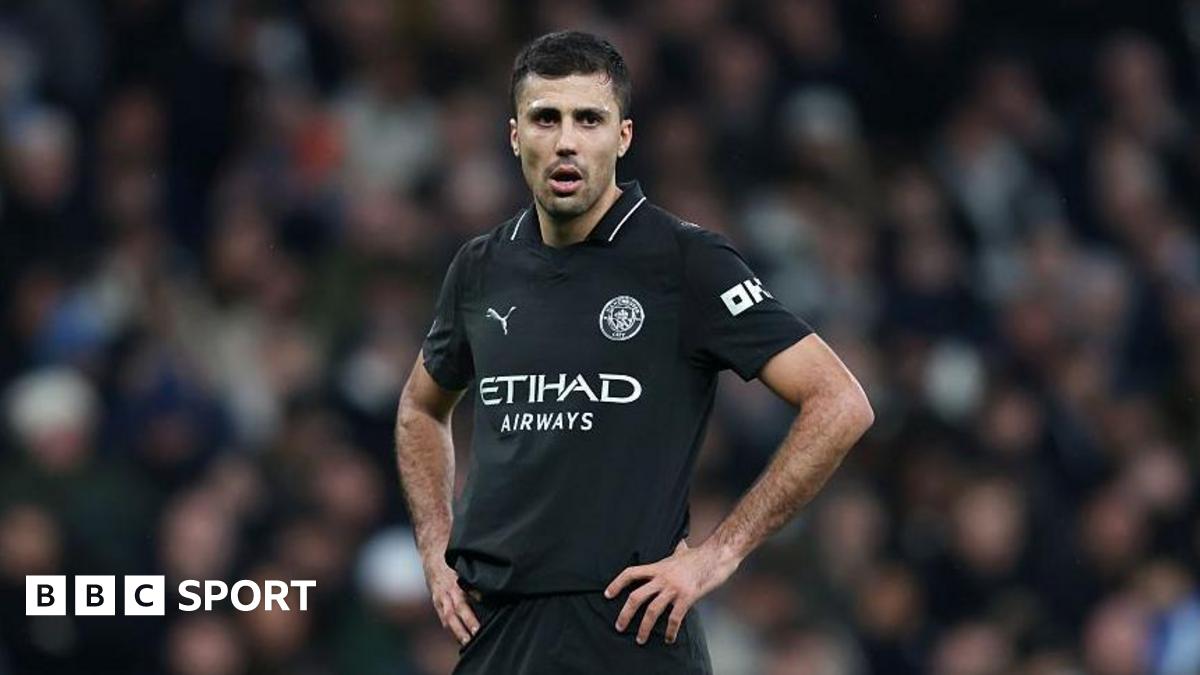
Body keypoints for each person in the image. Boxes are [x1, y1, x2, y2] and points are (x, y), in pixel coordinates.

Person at [395, 30, 874, 674]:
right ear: (516, 137)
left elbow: (840, 401)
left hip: (629, 630)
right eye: (546, 118)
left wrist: (718, 554)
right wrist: (434, 546)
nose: (566, 140)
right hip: (498, 630)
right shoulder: (482, 266)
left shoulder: (686, 260)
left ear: (622, 137)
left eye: (588, 119)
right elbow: (421, 410)